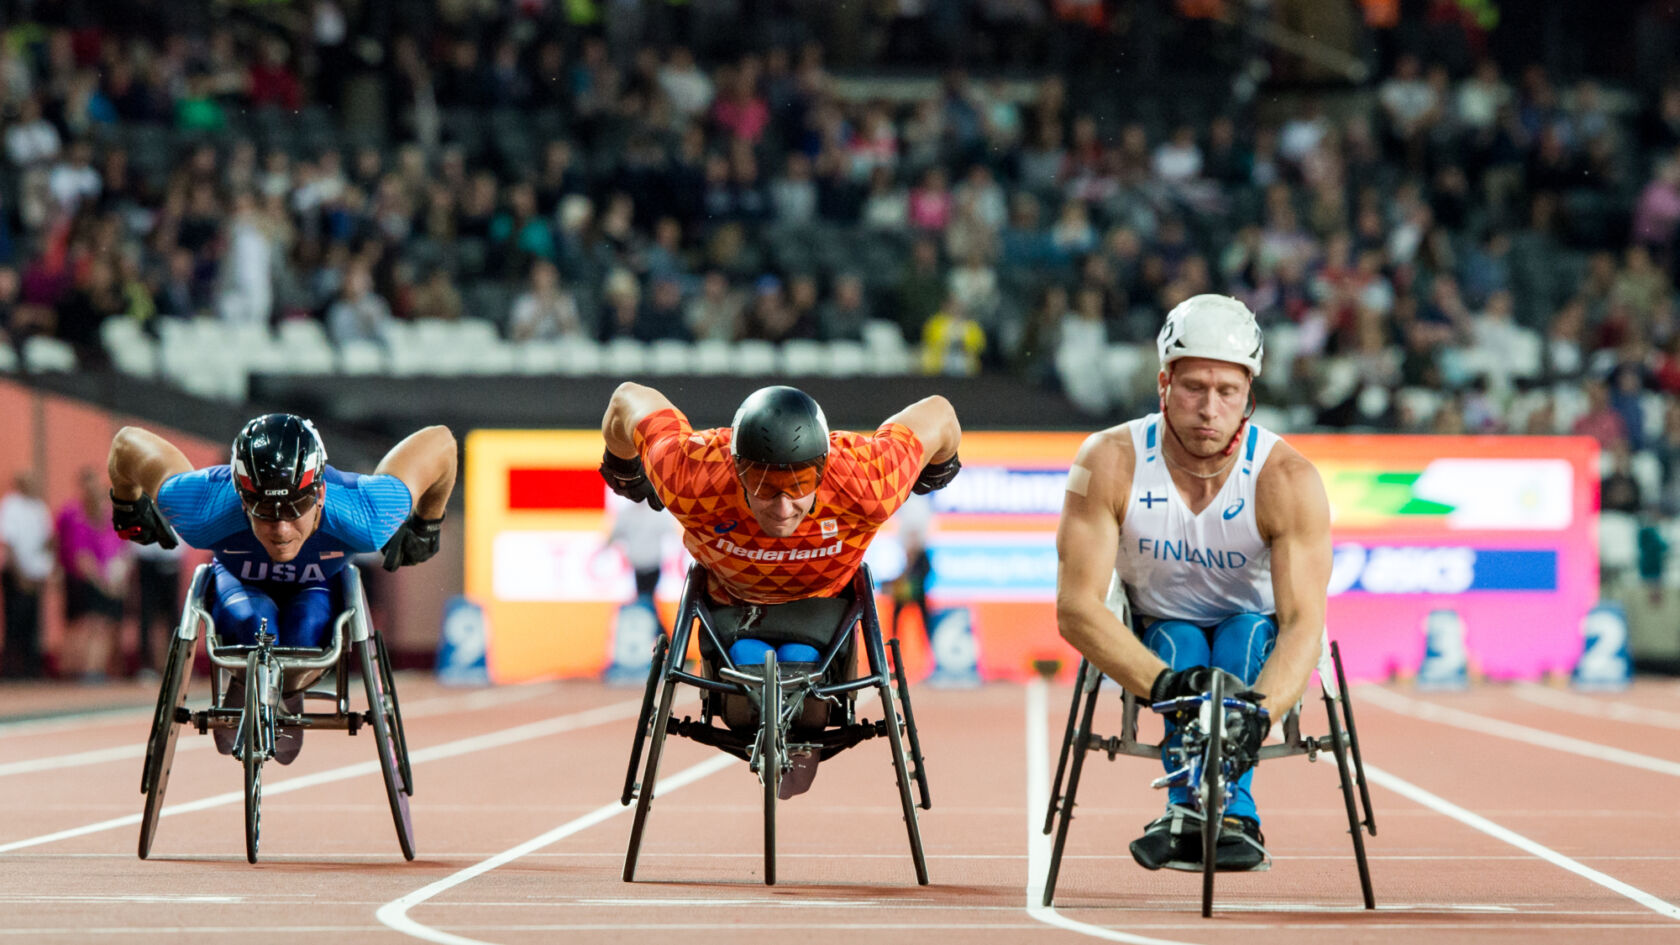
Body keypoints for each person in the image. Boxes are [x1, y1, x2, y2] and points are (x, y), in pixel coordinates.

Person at [1054, 294, 1332, 873]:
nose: (1209, 408)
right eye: (1193, 388)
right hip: (1158, 636)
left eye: (1227, 391)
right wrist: (1169, 687)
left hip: (1253, 636)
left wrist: (1256, 717)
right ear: (1163, 383)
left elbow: (1305, 623)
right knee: (1181, 641)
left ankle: (1207, 811)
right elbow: (1076, 608)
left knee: (1241, 637)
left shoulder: (1287, 478)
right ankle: (1223, 814)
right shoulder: (1109, 460)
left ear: (1249, 394)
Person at [599, 383, 962, 796]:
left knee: (805, 710)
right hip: (731, 613)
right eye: (763, 483)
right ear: (737, 469)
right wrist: (624, 466)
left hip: (823, 615)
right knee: (746, 702)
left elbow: (940, 412)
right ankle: (759, 690)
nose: (783, 506)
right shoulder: (693, 472)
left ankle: (797, 706)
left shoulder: (867, 478)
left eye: (801, 482)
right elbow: (626, 398)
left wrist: (624, 468)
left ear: (823, 469)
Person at [106, 414, 456, 764]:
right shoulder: (202, 508)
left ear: (320, 493)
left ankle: (287, 688)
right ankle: (246, 680)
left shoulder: (366, 514)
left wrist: (429, 521)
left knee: (305, 627)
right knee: (255, 623)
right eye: (264, 510)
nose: (282, 529)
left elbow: (441, 441)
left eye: (296, 507)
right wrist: (127, 505)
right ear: (242, 498)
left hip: (317, 586)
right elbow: (125, 443)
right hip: (240, 584)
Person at [56, 468, 132, 681]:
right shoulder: (75, 515)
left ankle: (95, 668)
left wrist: (118, 578)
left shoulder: (110, 517)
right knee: (85, 623)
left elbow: (122, 548)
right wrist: (101, 582)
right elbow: (79, 554)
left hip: (108, 577)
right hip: (85, 578)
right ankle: (80, 669)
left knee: (105, 625)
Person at [0, 471, 54, 678]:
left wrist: (44, 569)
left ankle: (32, 668)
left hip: (35, 574)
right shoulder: (11, 505)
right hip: (16, 573)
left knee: (34, 623)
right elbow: (9, 542)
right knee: (15, 621)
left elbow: (47, 541)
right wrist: (19, 574)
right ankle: (12, 669)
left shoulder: (39, 507)